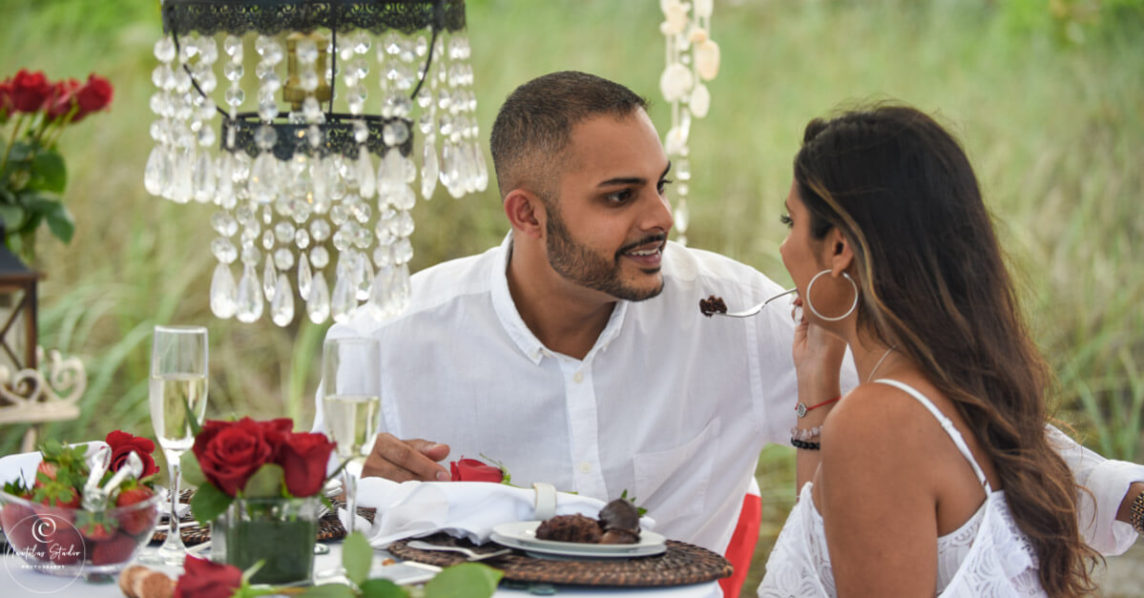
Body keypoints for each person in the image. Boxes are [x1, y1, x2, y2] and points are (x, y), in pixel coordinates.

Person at [315, 72, 1143, 597]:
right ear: (526, 215)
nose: (661, 217)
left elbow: (954, 422)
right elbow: (317, 523)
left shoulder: (727, 311)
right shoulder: (392, 339)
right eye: (620, 196)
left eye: (660, 184)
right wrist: (355, 489)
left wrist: (1121, 490)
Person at [758, 105, 1114, 596]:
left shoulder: (878, 422)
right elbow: (825, 549)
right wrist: (817, 383)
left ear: (839, 248)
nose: (783, 247)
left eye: (789, 221)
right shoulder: (981, 393)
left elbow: (1132, 502)